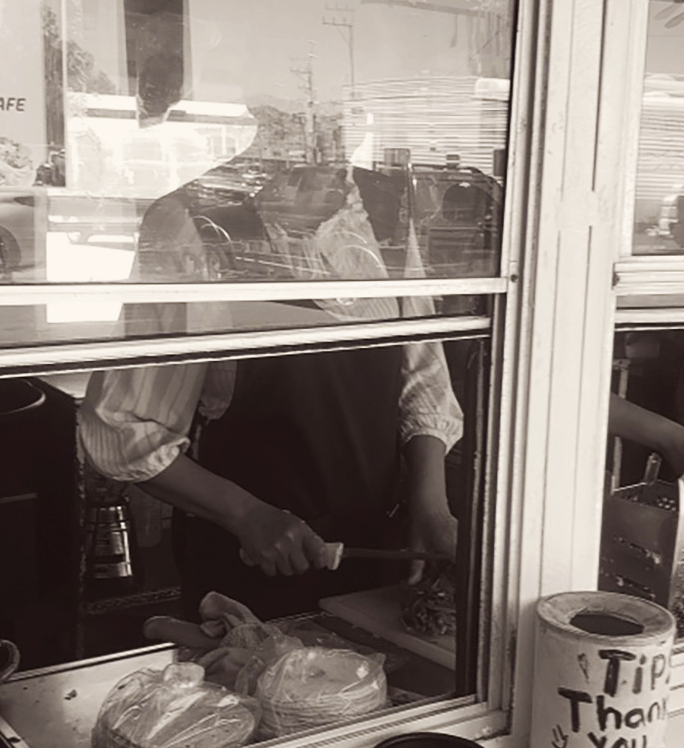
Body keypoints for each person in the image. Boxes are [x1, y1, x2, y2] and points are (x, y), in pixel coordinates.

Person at [79, 170, 463, 622]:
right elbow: (120, 426)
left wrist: (431, 507)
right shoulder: (195, 223)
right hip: (250, 578)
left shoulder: (387, 208)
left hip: (379, 566)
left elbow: (423, 375)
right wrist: (246, 516)